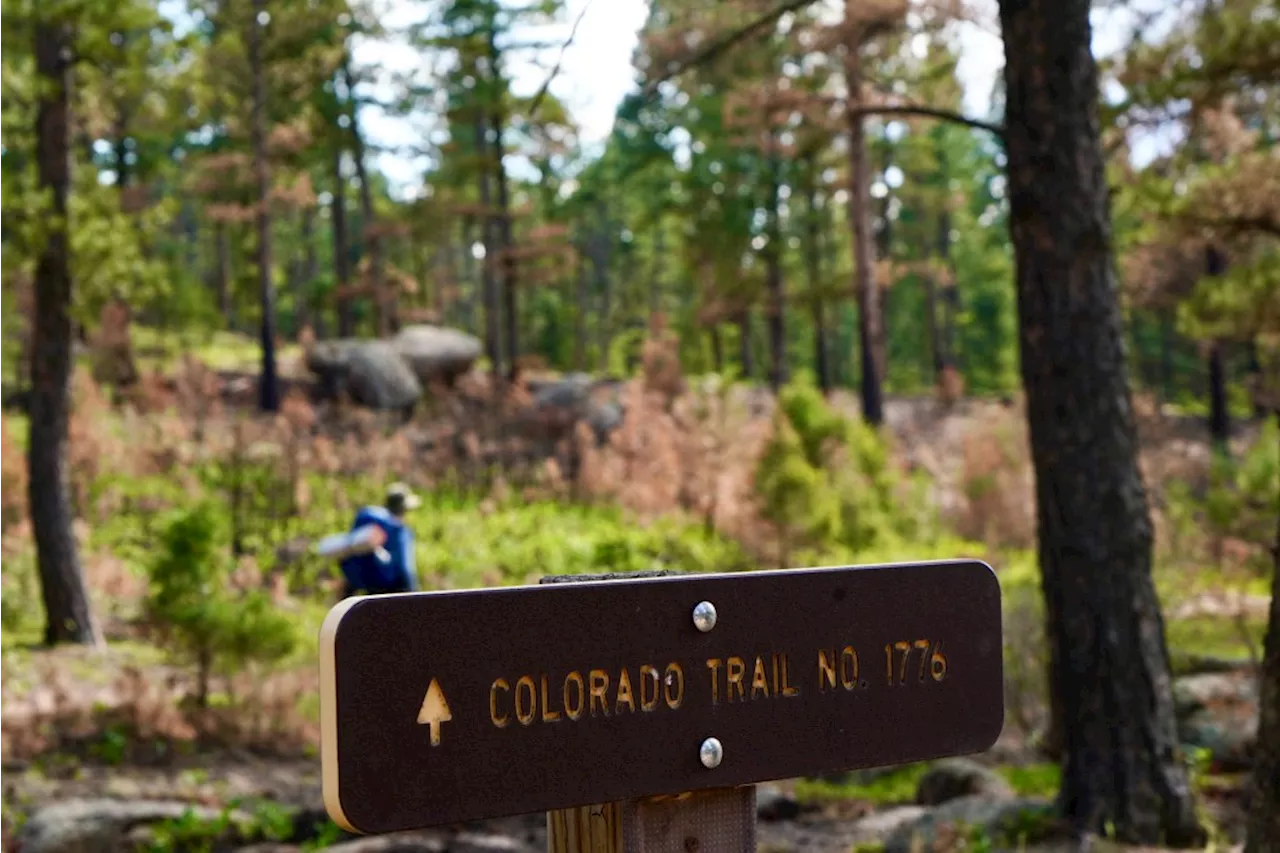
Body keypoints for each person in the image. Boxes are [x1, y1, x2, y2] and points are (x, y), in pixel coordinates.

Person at [337, 483, 422, 598]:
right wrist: (414, 596)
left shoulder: (369, 521)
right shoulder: (399, 530)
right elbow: (406, 569)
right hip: (392, 591)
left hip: (366, 591)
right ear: (404, 508)